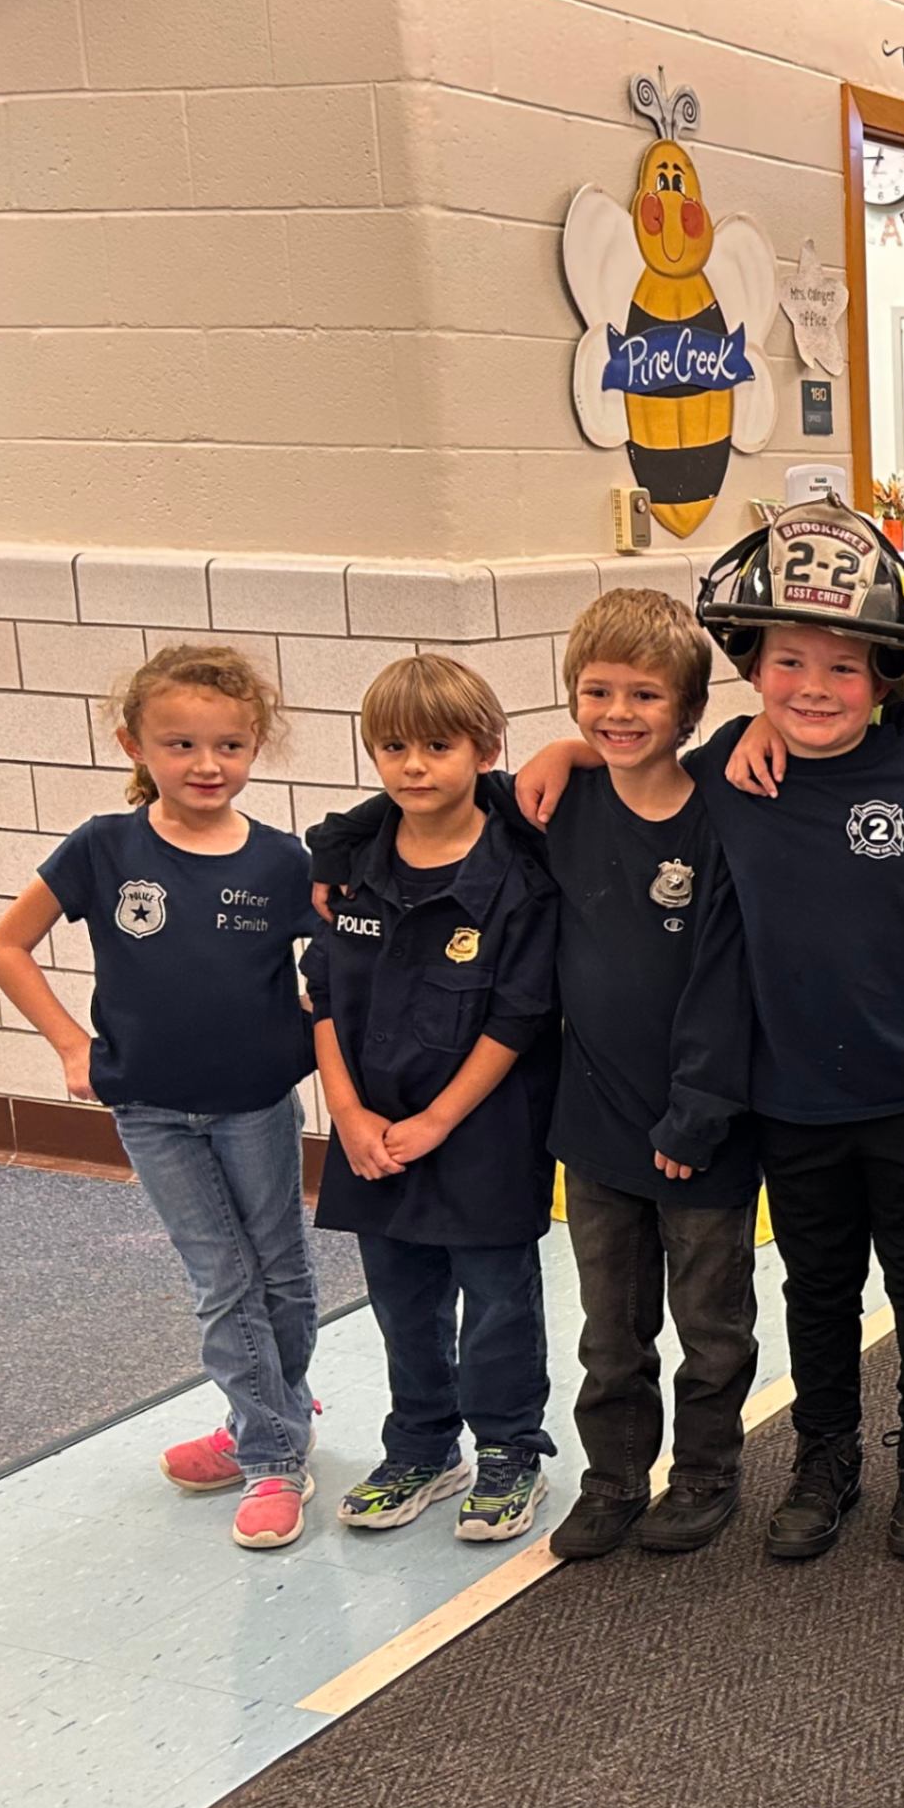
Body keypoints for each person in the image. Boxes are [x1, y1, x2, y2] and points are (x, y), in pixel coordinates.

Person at [516, 505, 904, 1563]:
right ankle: (824, 1463)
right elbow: (637, 763)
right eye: (787, 664)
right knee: (816, 1293)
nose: (811, 688)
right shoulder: (730, 764)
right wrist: (564, 750)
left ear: (891, 680)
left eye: (843, 669)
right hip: (792, 1099)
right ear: (751, 672)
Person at [325, 592, 760, 1562]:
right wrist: (331, 845)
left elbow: (729, 986)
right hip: (595, 1126)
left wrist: (697, 1116)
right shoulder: (552, 806)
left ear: (687, 709)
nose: (616, 711)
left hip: (704, 1130)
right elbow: (424, 788)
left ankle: (705, 1473)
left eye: (644, 693)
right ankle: (612, 1479)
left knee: (711, 1323)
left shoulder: (718, 820)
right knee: (611, 1335)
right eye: (596, 691)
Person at [0, 645, 324, 1551]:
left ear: (257, 747)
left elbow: (337, 964)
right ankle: (274, 1455)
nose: (207, 765)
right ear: (135, 745)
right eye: (180, 744)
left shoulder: (283, 859)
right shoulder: (106, 846)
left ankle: (272, 1413)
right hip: (152, 1107)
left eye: (230, 745)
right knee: (222, 1277)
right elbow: (6, 946)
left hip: (255, 1103)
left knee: (280, 1270)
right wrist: (70, 1044)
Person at [305, 655, 562, 1545]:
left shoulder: (518, 877)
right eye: (392, 747)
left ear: (487, 749)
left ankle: (507, 1450)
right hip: (372, 1132)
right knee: (402, 1300)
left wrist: (439, 1119)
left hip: (481, 1128)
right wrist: (346, 1113)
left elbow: (520, 1016)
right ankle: (420, 1443)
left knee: (497, 1299)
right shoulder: (350, 871)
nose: (414, 766)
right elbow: (324, 996)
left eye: (439, 746)